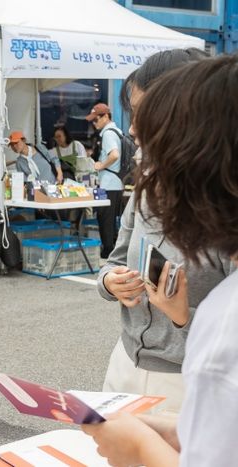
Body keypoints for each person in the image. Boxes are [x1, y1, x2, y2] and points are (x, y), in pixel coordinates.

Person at [83, 52, 238, 467]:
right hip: (129, 360)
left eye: (146, 113)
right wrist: (110, 281)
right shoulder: (147, 187)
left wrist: (184, 317)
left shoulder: (225, 319)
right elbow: (114, 258)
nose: (134, 128)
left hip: (183, 376)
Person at [85, 103, 123, 258]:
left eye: (96, 120)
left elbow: (114, 155)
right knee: (112, 221)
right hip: (117, 183)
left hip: (109, 183)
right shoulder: (117, 131)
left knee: (105, 220)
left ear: (106, 116)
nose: (94, 123)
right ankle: (113, 252)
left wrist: (101, 165)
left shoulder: (108, 134)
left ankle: (108, 253)